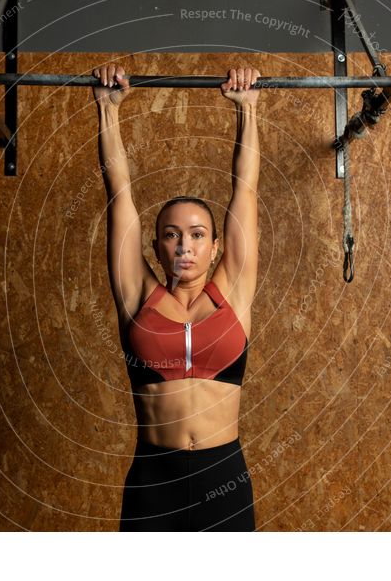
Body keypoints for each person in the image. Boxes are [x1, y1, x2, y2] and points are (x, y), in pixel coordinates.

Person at [92, 63, 261, 531]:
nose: (184, 245)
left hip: (222, 477)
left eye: (196, 234)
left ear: (214, 246)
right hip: (154, 481)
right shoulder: (137, 295)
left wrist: (247, 109)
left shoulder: (234, 289)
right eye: (171, 235)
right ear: (157, 248)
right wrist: (108, 110)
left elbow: (245, 189)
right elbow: (119, 192)